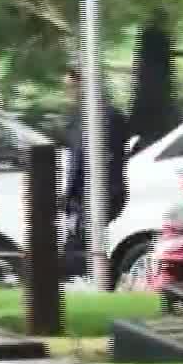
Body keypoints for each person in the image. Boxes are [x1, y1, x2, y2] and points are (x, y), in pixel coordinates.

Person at [62, 66, 130, 266]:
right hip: (90, 193)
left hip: (98, 191)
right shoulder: (84, 117)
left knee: (82, 247)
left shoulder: (100, 117)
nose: (69, 93)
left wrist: (71, 195)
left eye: (73, 87)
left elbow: (87, 158)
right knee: (83, 245)